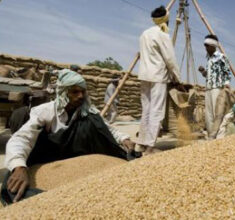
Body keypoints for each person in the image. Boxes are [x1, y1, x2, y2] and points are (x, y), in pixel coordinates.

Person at [2, 69, 135, 204]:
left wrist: (124, 138)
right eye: (75, 92)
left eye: (83, 91)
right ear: (63, 92)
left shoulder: (87, 111)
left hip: (78, 164)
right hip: (47, 162)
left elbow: (107, 128)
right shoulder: (46, 112)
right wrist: (19, 167)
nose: (81, 96)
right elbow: (22, 138)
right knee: (18, 190)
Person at [135, 6, 181, 155]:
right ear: (166, 20)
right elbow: (170, 59)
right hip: (158, 76)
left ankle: (141, 143)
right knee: (156, 111)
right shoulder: (162, 35)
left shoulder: (144, 34)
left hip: (144, 75)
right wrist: (177, 78)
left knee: (146, 110)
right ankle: (149, 146)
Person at [198, 34, 232, 139]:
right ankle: (211, 136)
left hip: (217, 88)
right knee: (208, 115)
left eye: (207, 45)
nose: (206, 48)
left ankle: (219, 136)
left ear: (213, 46)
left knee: (217, 113)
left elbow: (227, 72)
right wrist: (203, 71)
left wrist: (226, 84)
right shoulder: (209, 59)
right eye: (205, 46)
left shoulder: (221, 57)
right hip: (208, 88)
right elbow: (207, 75)